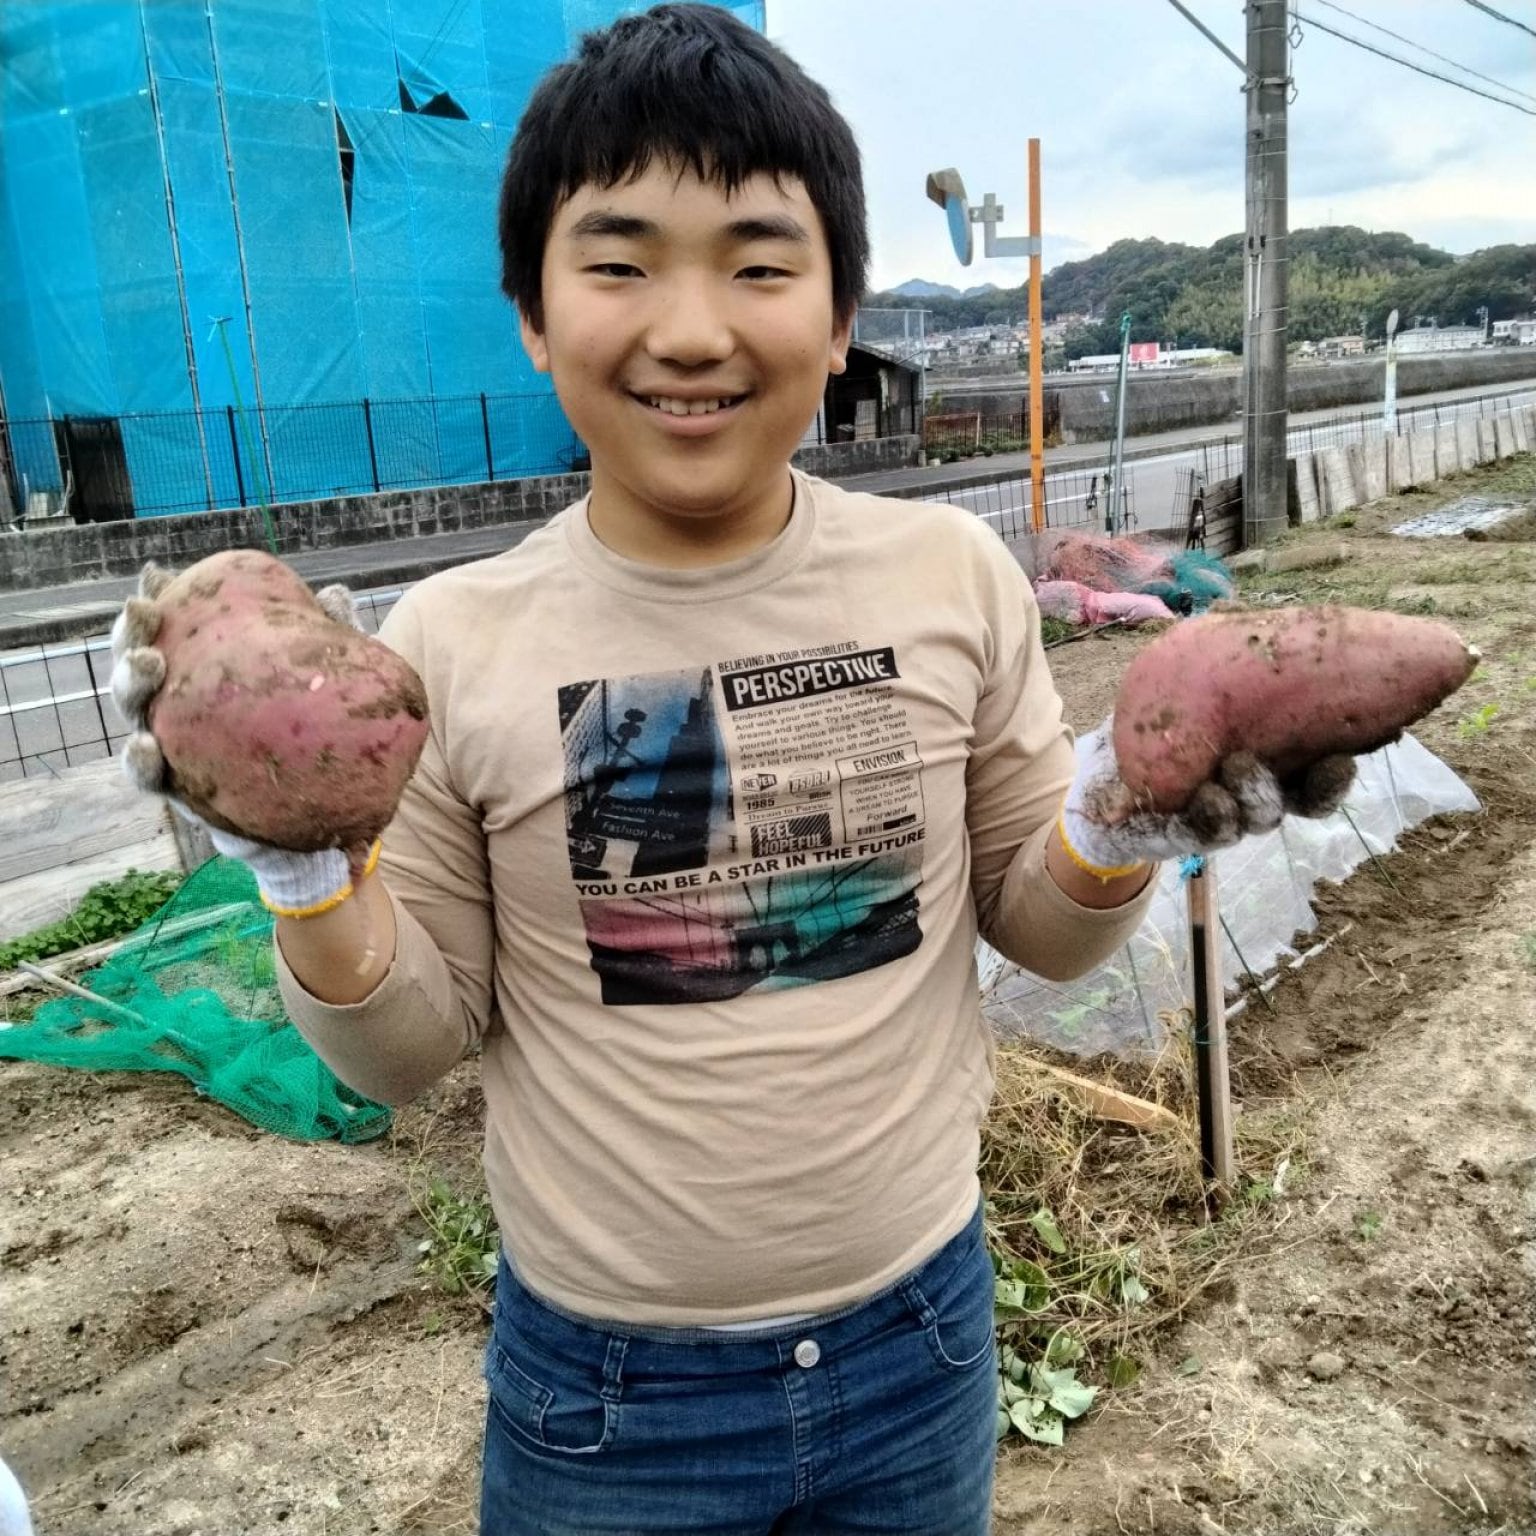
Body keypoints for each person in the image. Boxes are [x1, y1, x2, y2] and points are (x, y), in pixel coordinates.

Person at [110, 6, 1353, 1530]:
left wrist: (1123, 816)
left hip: (923, 1337)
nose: (691, 330)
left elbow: (1036, 924)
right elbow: (405, 1053)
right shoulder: (452, 639)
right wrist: (306, 869)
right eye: (620, 262)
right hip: (610, 1400)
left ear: (839, 321)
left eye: (761, 265)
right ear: (531, 310)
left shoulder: (950, 577)